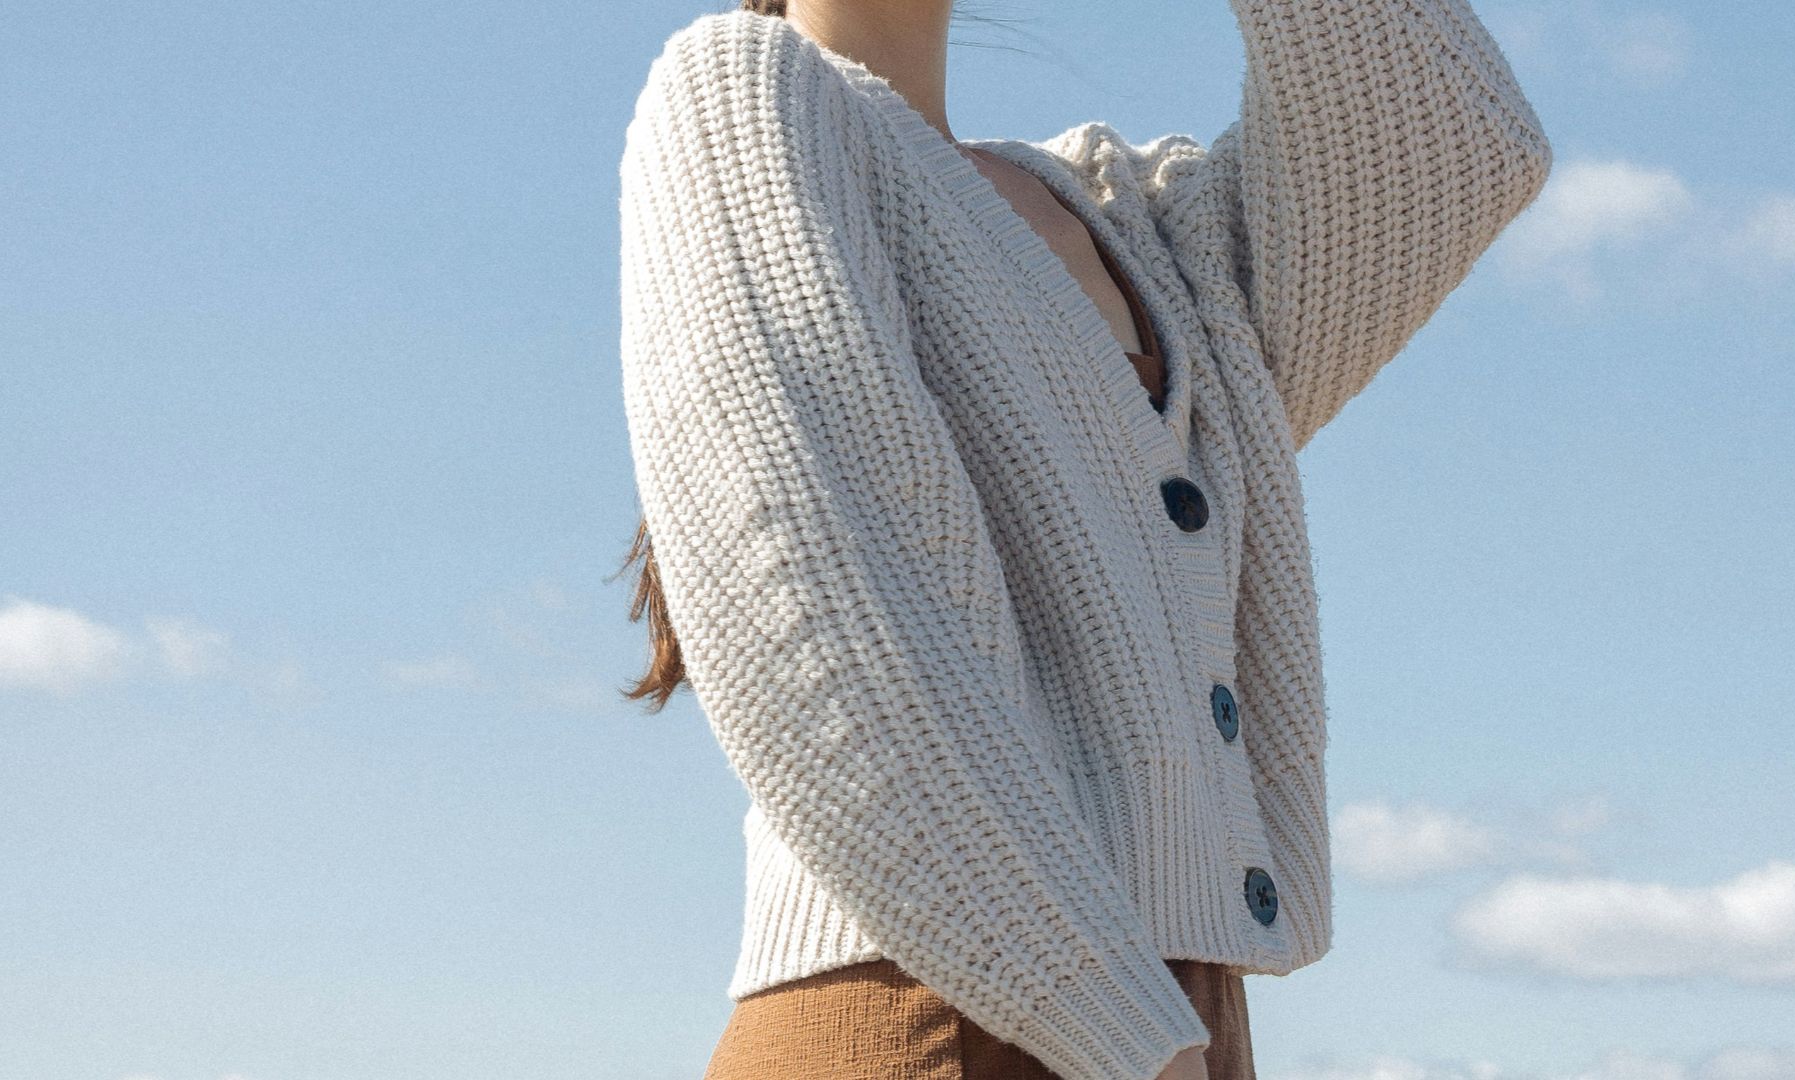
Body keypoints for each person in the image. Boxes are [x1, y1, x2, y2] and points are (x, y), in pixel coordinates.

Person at [614, 0, 1552, 1076]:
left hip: (1157, 1016)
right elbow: (836, 631)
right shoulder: (742, 91)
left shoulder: (1141, 223)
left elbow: (1452, 141)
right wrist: (1123, 1039)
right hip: (943, 1009)